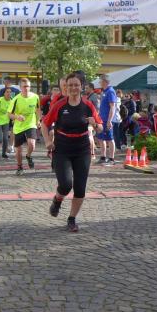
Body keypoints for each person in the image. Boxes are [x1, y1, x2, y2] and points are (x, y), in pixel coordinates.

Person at [41, 72, 103, 232]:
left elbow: (101, 128)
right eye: (70, 85)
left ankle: (72, 219)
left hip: (82, 149)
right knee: (66, 184)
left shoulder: (88, 105)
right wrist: (47, 141)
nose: (73, 88)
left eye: (76, 85)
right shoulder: (59, 105)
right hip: (62, 148)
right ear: (66, 87)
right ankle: (57, 200)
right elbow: (44, 124)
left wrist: (95, 124)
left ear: (81, 87)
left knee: (80, 188)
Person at [8, 78, 41, 175]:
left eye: (28, 86)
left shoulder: (35, 97)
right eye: (24, 86)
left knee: (32, 144)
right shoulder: (16, 99)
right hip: (19, 127)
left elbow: (38, 110)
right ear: (20, 88)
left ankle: (28, 156)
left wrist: (38, 120)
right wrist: (17, 117)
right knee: (18, 150)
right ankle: (19, 167)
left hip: (31, 124)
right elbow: (9, 114)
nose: (26, 88)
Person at [96, 74, 118, 165]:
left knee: (110, 138)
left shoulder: (110, 91)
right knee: (101, 138)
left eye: (100, 81)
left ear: (105, 81)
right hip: (101, 119)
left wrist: (109, 121)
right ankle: (103, 157)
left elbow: (112, 107)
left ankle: (112, 158)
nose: (99, 83)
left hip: (107, 120)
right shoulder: (104, 91)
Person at [0, 87, 14, 159]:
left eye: (10, 92)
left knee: (5, 138)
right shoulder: (0, 100)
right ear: (4, 93)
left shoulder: (12, 101)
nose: (9, 93)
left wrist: (14, 118)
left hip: (6, 121)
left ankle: (4, 153)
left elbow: (13, 111)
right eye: (7, 92)